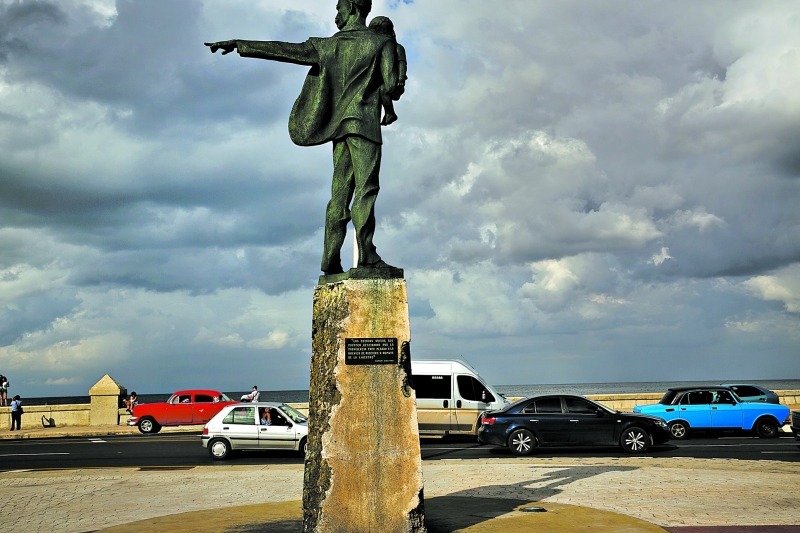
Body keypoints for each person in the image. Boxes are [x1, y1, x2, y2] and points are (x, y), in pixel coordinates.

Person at [205, 0, 405, 275]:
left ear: (353, 9)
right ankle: (367, 255)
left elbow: (285, 50)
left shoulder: (326, 46)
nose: (336, 14)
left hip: (339, 130)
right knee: (366, 190)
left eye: (339, 8)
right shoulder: (382, 43)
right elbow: (393, 87)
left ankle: (330, 259)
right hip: (365, 126)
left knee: (339, 195)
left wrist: (240, 44)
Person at [368, 16, 407, 126]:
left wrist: (401, 77)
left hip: (396, 82)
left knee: (384, 90)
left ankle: (390, 113)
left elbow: (402, 63)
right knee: (381, 90)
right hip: (384, 81)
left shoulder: (398, 48)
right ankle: (390, 113)